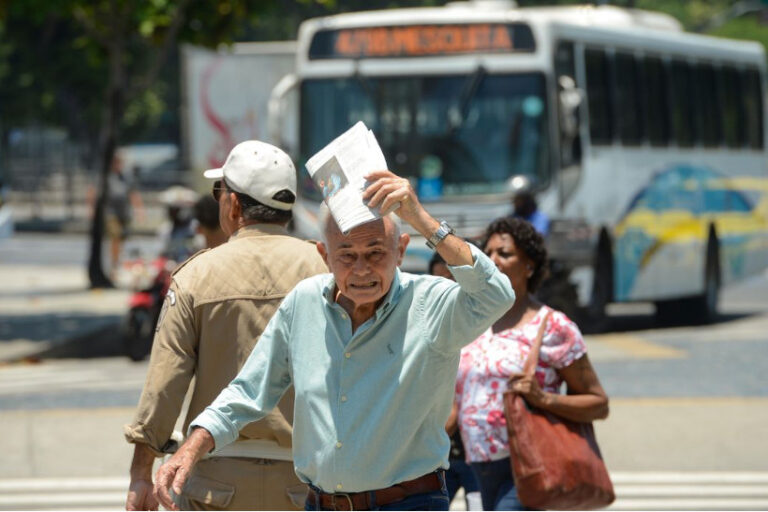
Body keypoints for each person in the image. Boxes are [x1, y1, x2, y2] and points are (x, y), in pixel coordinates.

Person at [152, 169, 517, 512]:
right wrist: (192, 447)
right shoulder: (304, 301)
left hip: (409, 501)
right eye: (347, 256)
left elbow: (496, 295)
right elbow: (249, 390)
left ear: (401, 250)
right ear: (324, 256)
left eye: (376, 252)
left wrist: (421, 218)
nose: (361, 269)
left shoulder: (431, 303)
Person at [123, 140, 328, 511]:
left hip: (215, 480)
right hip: (308, 479)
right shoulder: (327, 269)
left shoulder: (196, 275)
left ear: (232, 204)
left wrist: (141, 472)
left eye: (220, 191)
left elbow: (164, 383)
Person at [454, 217, 609, 511]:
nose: (494, 260)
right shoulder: (472, 319)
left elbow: (598, 403)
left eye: (505, 253)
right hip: (476, 464)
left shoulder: (552, 326)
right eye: (488, 253)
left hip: (527, 463)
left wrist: (543, 398)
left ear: (530, 266)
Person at [428, 252, 481, 511]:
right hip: (440, 457)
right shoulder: (428, 329)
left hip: (481, 457)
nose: (446, 289)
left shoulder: (486, 325)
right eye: (439, 280)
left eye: (453, 279)